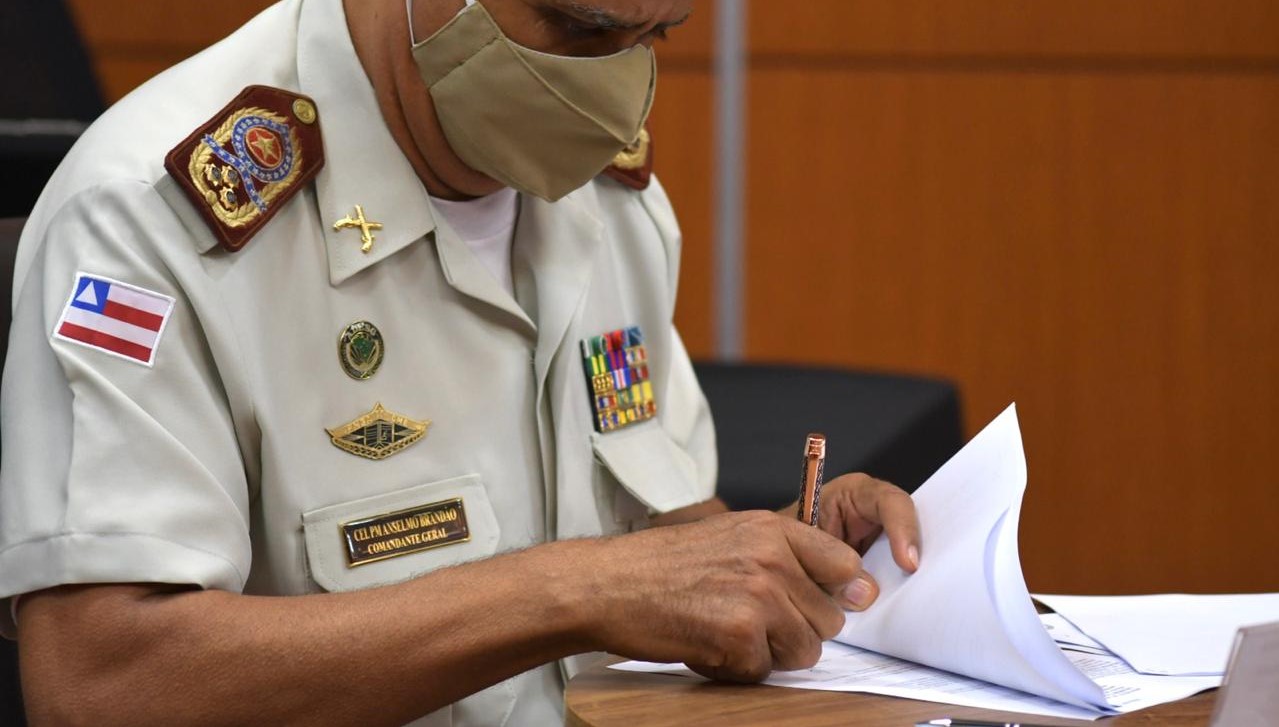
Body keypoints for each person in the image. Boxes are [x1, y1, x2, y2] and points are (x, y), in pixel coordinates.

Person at [0, 0, 923, 724]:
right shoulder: (150, 219)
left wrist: (776, 560)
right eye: (578, 28)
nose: (609, 89)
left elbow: (659, 531)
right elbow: (97, 685)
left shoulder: (603, 196)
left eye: (656, 36)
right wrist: (576, 589)